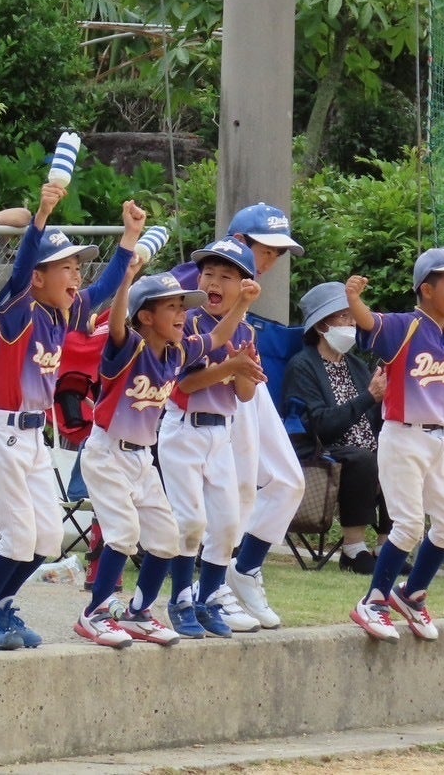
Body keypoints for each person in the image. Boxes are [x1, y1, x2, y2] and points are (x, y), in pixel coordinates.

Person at [0, 182, 140, 652]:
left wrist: (128, 240)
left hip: (35, 438)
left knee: (49, 539)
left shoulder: (63, 313)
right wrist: (41, 215)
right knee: (20, 537)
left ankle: (1, 607)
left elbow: (102, 290)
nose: (76, 275)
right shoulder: (16, 310)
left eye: (77, 266)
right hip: (2, 433)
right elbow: (20, 270)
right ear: (38, 278)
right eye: (66, 267)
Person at [75, 265, 258, 648]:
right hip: (106, 454)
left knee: (167, 538)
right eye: (172, 307)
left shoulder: (177, 351)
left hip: (142, 459)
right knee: (124, 534)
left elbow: (218, 336)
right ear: (146, 316)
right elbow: (119, 324)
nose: (181, 314)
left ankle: (139, 613)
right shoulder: (128, 348)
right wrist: (127, 280)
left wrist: (242, 302)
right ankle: (95, 613)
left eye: (182, 306)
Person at [176, 203, 307, 630]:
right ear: (239, 241)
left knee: (289, 480)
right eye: (264, 249)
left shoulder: (244, 283)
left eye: (276, 253)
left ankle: (244, 571)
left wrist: (240, 370)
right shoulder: (197, 279)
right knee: (239, 488)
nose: (270, 260)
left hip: (239, 379)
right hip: (199, 398)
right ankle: (212, 589)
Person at [159, 238, 268, 638]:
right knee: (190, 521)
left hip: (221, 432)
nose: (214, 282)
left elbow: (245, 394)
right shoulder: (187, 322)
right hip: (184, 429)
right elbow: (184, 385)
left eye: (226, 276)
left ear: (245, 286)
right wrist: (231, 366)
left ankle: (207, 600)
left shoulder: (246, 330)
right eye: (208, 273)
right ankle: (180, 600)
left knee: (226, 523)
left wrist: (243, 369)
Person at [343, 251, 444, 642]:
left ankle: (411, 595)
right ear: (427, 289)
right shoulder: (407, 325)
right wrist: (353, 299)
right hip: (403, 436)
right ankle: (373, 602)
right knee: (408, 525)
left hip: (440, 438)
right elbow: (371, 322)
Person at [281, 281, 387, 574]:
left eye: (353, 317)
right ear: (320, 325)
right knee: (362, 458)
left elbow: (374, 417)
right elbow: (320, 425)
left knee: (399, 450)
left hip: (364, 448)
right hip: (321, 448)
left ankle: (386, 546)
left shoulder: (356, 365)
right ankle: (353, 550)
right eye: (343, 316)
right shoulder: (302, 365)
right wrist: (369, 397)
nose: (352, 323)